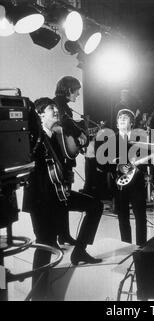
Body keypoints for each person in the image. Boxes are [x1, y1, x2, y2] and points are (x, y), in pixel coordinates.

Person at [22, 98, 103, 299]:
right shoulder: (32, 136)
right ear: (40, 114)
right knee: (45, 242)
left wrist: (79, 144)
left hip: (59, 194)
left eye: (56, 109)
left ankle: (80, 251)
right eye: (51, 109)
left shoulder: (56, 136)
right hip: (40, 198)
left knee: (96, 206)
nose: (56, 112)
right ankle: (39, 294)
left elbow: (67, 160)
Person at [103, 109, 147, 246]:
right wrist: (116, 165)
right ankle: (126, 246)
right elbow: (104, 162)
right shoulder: (110, 140)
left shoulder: (141, 139)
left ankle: (141, 247)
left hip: (137, 183)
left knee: (140, 217)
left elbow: (147, 160)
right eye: (120, 117)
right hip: (119, 184)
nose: (122, 119)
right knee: (123, 218)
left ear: (132, 123)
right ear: (116, 124)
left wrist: (139, 166)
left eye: (126, 117)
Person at [53, 76, 86, 246]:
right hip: (59, 162)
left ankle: (63, 234)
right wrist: (78, 133)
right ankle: (61, 234)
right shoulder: (58, 105)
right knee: (62, 197)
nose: (79, 93)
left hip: (64, 161)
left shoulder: (64, 106)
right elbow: (64, 124)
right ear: (68, 90)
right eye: (76, 90)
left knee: (64, 197)